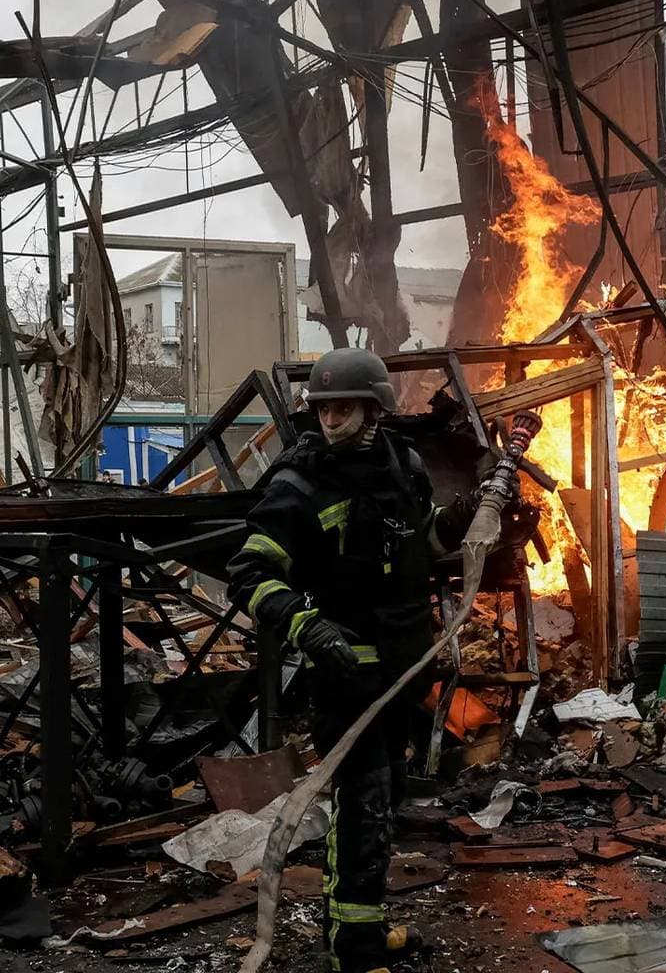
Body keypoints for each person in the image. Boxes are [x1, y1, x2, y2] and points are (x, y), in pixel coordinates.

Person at [228, 349, 481, 973]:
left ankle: (358, 926)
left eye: (343, 406)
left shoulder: (405, 466)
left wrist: (460, 517)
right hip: (345, 671)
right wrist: (307, 627)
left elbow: (420, 544)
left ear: (374, 410)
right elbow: (249, 572)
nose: (330, 418)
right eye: (323, 407)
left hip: (402, 666)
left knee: (385, 795)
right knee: (362, 799)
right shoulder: (300, 480)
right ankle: (355, 950)